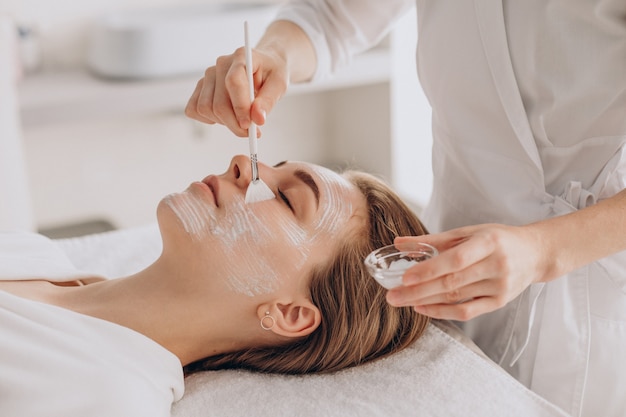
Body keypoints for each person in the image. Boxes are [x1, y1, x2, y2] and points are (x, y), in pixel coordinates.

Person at [184, 2, 626, 416]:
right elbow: (333, 16)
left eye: (287, 198)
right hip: (451, 278)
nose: (242, 163)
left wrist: (545, 250)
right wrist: (276, 54)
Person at [0, 154, 430, 417]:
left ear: (289, 313)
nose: (244, 162)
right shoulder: (31, 251)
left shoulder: (105, 396)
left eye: (286, 199)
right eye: (272, 165)